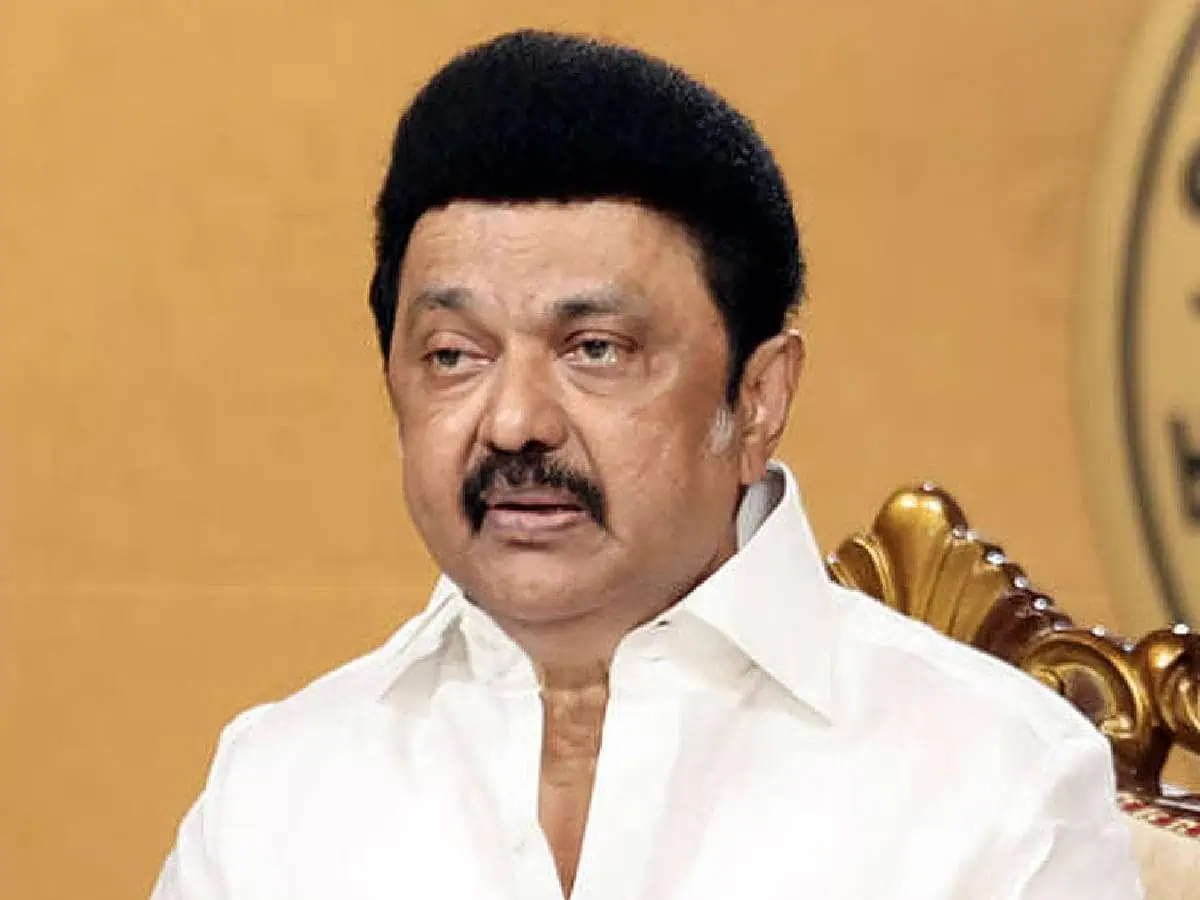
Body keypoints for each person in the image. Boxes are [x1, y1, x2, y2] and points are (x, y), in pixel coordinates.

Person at [151, 29, 1143, 900]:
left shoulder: (994, 783)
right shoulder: (276, 790)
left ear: (759, 400)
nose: (515, 423)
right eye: (454, 355)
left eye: (595, 350)